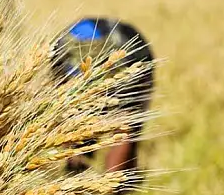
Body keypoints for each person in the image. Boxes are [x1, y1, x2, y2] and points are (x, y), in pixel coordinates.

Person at [50, 17, 155, 175]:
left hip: (125, 63)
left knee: (78, 123)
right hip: (124, 62)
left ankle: (81, 177)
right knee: (124, 127)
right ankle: (114, 184)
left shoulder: (128, 48)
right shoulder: (65, 49)